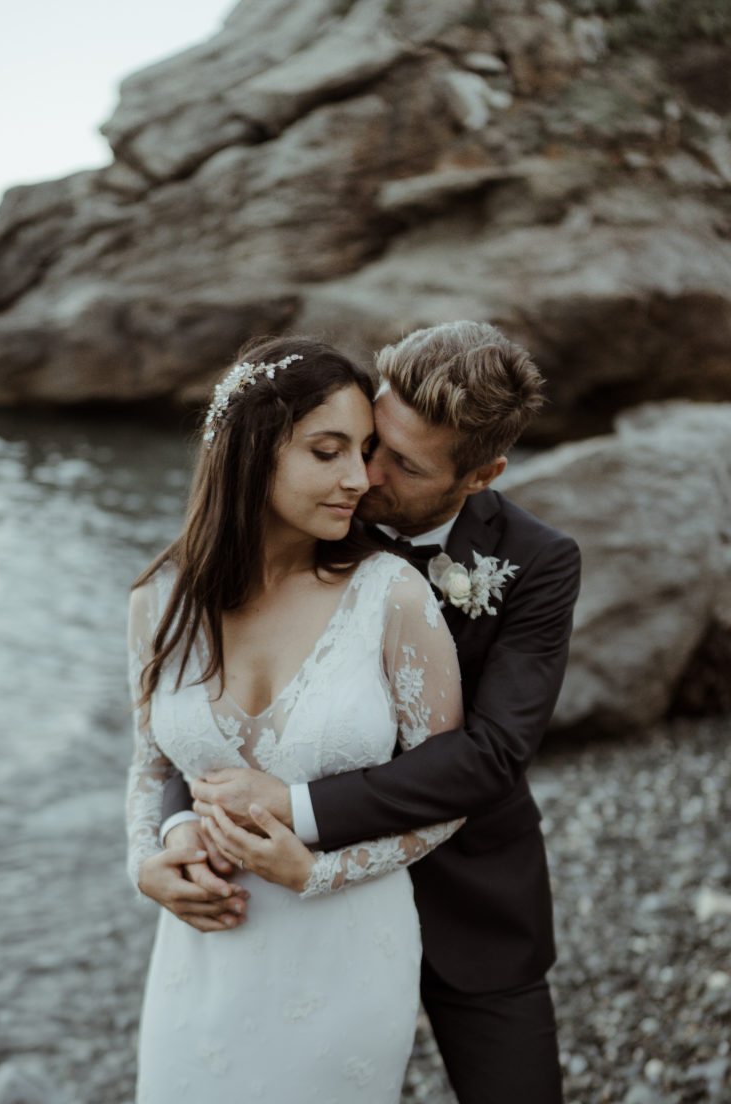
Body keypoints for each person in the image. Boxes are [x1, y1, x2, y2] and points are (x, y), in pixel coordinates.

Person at [150, 321, 582, 1104]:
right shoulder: (306, 520)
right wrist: (180, 823)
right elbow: (213, 705)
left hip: (471, 897)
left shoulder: (541, 561)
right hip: (280, 905)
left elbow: (491, 754)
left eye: (402, 464)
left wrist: (300, 810)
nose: (364, 475)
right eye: (360, 440)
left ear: (481, 475)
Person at [126, 337, 468, 1103]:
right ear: (252, 453)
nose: (360, 479)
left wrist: (319, 873)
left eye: (367, 451)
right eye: (328, 451)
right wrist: (152, 860)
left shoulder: (391, 597)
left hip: (345, 954)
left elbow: (449, 793)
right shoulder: (160, 600)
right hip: (199, 956)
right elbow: (151, 767)